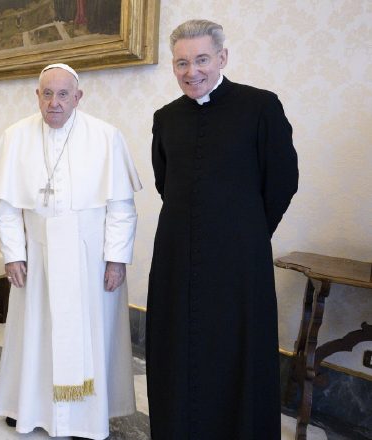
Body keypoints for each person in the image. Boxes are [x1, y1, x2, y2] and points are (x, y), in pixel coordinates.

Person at [146, 19, 298, 439]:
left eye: (201, 60)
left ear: (222, 58)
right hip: (177, 255)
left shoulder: (261, 106)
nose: (191, 71)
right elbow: (166, 182)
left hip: (238, 259)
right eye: (181, 63)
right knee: (178, 350)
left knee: (235, 351)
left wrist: (246, 231)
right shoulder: (165, 118)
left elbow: (282, 180)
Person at [0, 63, 142, 439]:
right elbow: (7, 208)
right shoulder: (16, 136)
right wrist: (13, 254)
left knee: (89, 336)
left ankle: (85, 417)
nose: (54, 103)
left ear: (78, 97)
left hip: (90, 257)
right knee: (34, 334)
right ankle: (30, 408)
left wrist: (116, 259)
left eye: (63, 94)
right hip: (38, 255)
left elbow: (121, 208)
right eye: (47, 94)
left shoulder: (106, 136)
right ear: (37, 96)